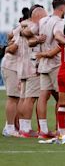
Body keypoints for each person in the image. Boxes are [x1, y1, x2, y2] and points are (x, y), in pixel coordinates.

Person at [36, 0, 65, 139]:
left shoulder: (43, 20)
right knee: (62, 96)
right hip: (55, 63)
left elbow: (36, 35)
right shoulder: (59, 22)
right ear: (62, 8)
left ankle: (43, 130)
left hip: (43, 63)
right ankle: (61, 129)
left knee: (43, 96)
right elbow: (58, 36)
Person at [18, 6, 47, 138]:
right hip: (32, 65)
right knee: (31, 98)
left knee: (24, 97)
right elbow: (31, 41)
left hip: (23, 65)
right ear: (38, 16)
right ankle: (26, 129)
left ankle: (23, 127)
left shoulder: (24, 25)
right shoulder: (33, 27)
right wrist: (38, 39)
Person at [1, 8, 28, 137]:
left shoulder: (21, 27)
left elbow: (10, 35)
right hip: (12, 66)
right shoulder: (23, 29)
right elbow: (12, 47)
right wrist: (8, 47)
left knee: (18, 98)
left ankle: (14, 126)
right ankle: (9, 127)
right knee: (13, 98)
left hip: (17, 67)